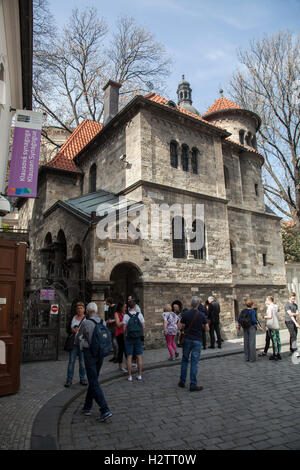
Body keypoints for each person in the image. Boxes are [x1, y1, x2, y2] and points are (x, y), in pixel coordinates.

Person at [75, 302, 112, 422]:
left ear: (87, 311)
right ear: (96, 311)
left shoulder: (86, 322)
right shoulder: (103, 322)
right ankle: (87, 407)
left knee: (94, 381)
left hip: (89, 354)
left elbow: (77, 337)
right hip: (100, 354)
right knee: (93, 379)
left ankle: (104, 409)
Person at [178, 296, 209, 392]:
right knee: (194, 362)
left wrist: (183, 326)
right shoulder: (202, 315)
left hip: (187, 339)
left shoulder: (185, 314)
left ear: (191, 304)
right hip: (197, 340)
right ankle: (193, 384)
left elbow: (179, 326)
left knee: (184, 360)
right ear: (198, 304)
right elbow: (207, 329)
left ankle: (182, 381)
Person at [64, 301, 87, 388]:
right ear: (76, 309)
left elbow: (88, 330)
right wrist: (72, 330)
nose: (79, 310)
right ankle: (69, 380)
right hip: (73, 343)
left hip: (82, 343)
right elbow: (67, 329)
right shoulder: (73, 318)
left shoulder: (86, 319)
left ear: (84, 309)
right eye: (78, 308)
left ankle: (83, 378)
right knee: (71, 362)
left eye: (81, 308)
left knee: (82, 362)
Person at [123, 299, 145, 381]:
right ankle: (139, 375)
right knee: (139, 357)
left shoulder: (126, 316)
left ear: (128, 307)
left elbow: (124, 328)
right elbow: (143, 327)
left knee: (129, 357)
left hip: (129, 338)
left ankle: (130, 376)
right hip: (138, 338)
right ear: (135, 306)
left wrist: (125, 337)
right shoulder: (139, 315)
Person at [264, 296, 281, 361]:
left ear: (269, 300)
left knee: (274, 340)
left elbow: (270, 316)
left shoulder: (269, 307)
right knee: (278, 339)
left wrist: (265, 317)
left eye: (267, 300)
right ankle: (278, 353)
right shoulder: (276, 306)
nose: (266, 301)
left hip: (271, 325)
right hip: (276, 324)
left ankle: (275, 354)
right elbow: (278, 310)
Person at [114, 302, 127, 372]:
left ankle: (128, 364)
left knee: (126, 350)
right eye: (124, 307)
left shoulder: (125, 314)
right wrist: (125, 320)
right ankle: (120, 366)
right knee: (121, 350)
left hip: (125, 334)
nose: (125, 308)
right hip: (119, 334)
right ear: (121, 307)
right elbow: (118, 324)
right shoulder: (116, 314)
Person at [105, 298, 118, 363]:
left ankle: (117, 356)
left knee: (115, 342)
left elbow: (118, 317)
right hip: (110, 326)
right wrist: (108, 320)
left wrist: (112, 320)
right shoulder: (109, 308)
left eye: (106, 301)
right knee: (112, 342)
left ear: (108, 302)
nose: (105, 303)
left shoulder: (116, 307)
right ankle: (114, 356)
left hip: (115, 326)